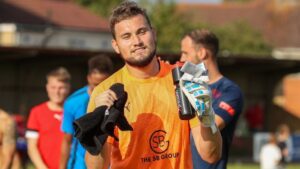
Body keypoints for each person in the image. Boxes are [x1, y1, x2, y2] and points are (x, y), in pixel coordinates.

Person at [85, 1, 222, 169]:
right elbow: (96, 167)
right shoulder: (106, 92)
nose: (137, 41)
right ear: (116, 46)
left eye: (142, 32)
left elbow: (211, 155)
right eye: (126, 36)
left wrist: (207, 113)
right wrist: (99, 126)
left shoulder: (184, 79)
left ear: (154, 33)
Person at [180, 29, 243, 169]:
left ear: (202, 53)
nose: (181, 59)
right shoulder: (182, 86)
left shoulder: (230, 91)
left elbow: (211, 124)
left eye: (185, 53)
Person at [60, 55, 113, 169]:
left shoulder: (119, 100)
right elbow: (66, 140)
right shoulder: (73, 103)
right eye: (95, 85)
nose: (98, 89)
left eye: (103, 85)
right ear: (89, 78)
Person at [26, 67, 71, 169]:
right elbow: (32, 147)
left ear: (68, 87)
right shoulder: (36, 112)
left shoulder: (76, 112)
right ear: (47, 87)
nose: (57, 92)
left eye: (61, 87)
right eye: (53, 87)